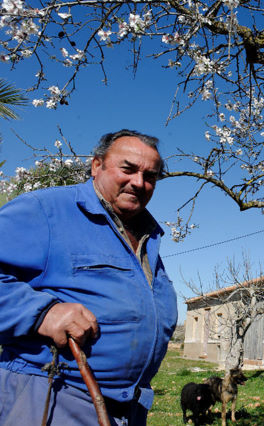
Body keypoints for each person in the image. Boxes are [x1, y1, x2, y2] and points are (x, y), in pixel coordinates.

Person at [0, 130, 178, 425]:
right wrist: (43, 312)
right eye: (128, 169)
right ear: (97, 166)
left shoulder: (147, 236)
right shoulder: (48, 210)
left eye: (150, 176)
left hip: (128, 411)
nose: (139, 182)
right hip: (50, 398)